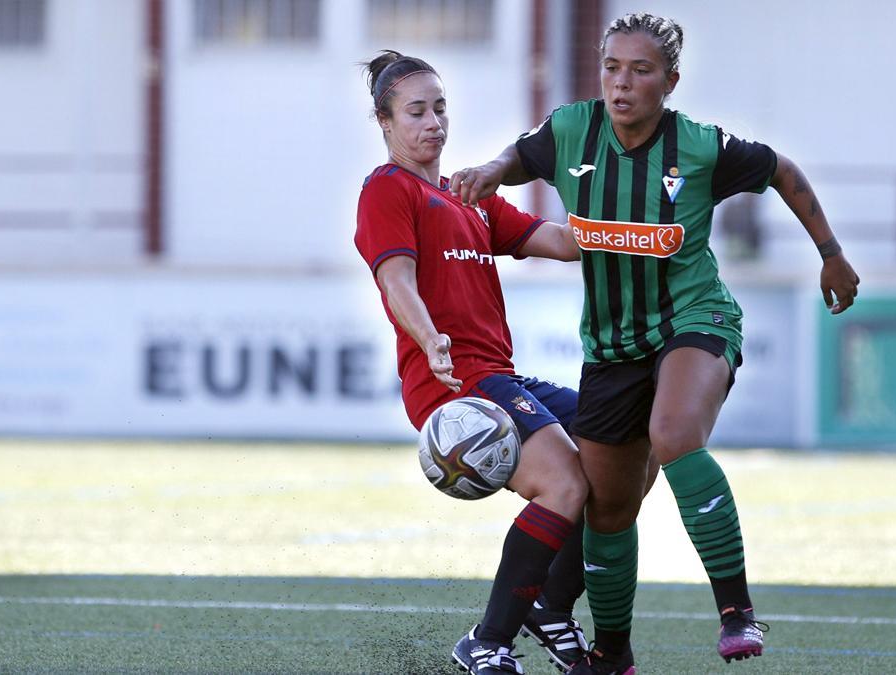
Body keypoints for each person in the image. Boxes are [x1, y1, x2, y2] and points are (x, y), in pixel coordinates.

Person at [451, 12, 861, 673]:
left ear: (669, 81)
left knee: (673, 434)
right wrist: (487, 172)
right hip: (612, 349)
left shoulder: (699, 146)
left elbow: (783, 170)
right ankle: (613, 651)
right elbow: (514, 157)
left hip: (695, 320)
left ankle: (737, 611)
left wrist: (831, 253)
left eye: (640, 71)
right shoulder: (570, 130)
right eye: (612, 67)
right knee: (609, 508)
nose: (622, 83)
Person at [354, 50, 596, 675]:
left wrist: (614, 199)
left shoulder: (470, 196)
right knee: (565, 482)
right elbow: (396, 279)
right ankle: (487, 641)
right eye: (416, 111)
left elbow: (565, 243)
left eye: (440, 107)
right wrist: (429, 335)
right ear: (384, 121)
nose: (433, 121)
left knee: (626, 446)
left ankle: (547, 606)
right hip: (454, 382)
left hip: (500, 377)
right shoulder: (388, 189)